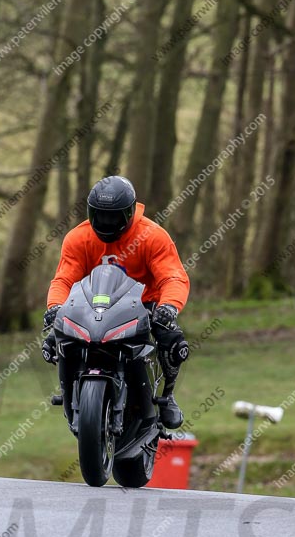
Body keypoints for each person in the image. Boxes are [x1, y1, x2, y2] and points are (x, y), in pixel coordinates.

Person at [42, 175, 190, 429]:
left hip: (144, 306)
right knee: (54, 339)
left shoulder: (153, 236)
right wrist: (55, 306)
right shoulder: (78, 238)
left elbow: (173, 277)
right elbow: (63, 280)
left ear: (130, 212)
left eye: (114, 216)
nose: (106, 222)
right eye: (100, 215)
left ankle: (167, 396)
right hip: (91, 306)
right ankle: (71, 393)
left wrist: (169, 307)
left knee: (173, 341)